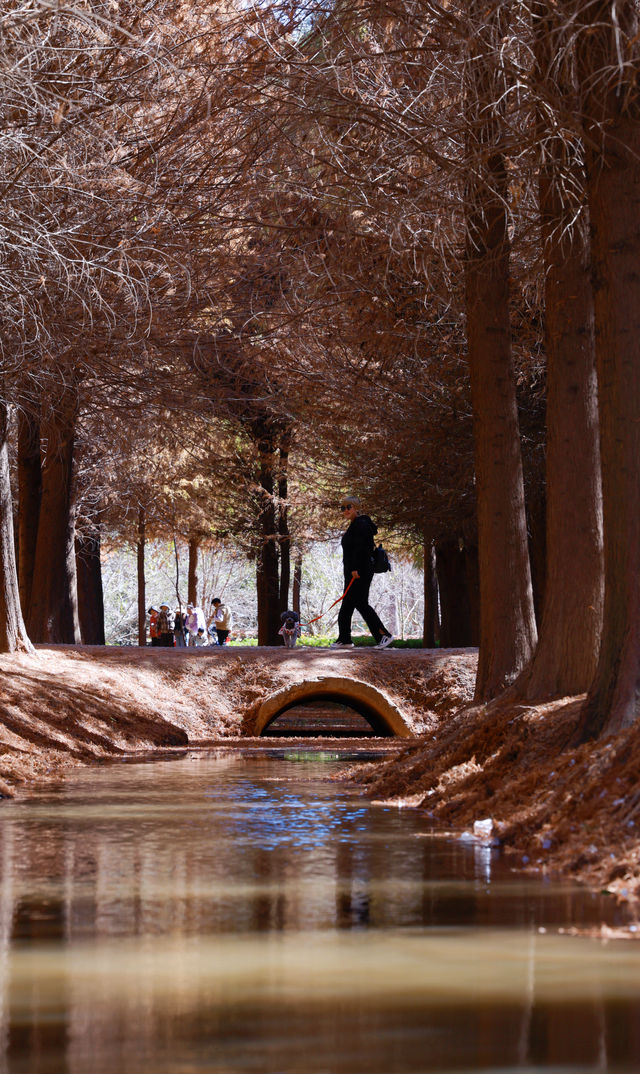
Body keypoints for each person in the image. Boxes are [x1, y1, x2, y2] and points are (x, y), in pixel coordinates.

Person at [330, 495, 394, 650]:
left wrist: (354, 569)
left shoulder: (361, 524)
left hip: (359, 572)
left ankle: (383, 635)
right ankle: (344, 639)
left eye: (349, 507)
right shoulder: (355, 525)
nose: (345, 510)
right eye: (343, 508)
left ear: (356, 508)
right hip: (353, 572)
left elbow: (362, 550)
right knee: (347, 605)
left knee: (360, 603)